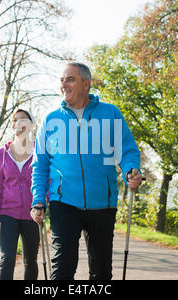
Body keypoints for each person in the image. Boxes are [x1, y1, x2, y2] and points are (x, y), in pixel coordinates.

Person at [30, 62, 142, 280]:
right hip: (64, 202)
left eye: (70, 79)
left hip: (102, 202)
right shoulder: (51, 120)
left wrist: (131, 171)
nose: (63, 84)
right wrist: (38, 199)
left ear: (86, 84)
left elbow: (127, 150)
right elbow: (40, 165)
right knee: (62, 270)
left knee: (101, 273)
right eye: (62, 80)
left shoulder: (110, 114)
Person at [0, 108, 39, 280]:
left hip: (32, 214)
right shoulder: (1, 154)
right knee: (7, 259)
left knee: (30, 261)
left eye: (23, 120)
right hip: (7, 214)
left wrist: (40, 205)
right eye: (15, 120)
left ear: (31, 126)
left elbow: (45, 181)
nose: (18, 123)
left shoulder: (39, 152)